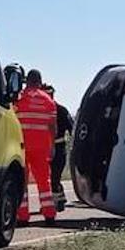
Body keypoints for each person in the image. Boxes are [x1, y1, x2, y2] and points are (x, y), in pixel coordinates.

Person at [14, 69, 58, 226]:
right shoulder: (48, 100)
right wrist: (52, 145)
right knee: (44, 181)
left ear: (27, 81)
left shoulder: (19, 98)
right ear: (40, 81)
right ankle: (49, 214)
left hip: (21, 146)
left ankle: (22, 216)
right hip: (41, 147)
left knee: (22, 181)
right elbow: (53, 126)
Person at [43, 84, 74, 212]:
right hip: (44, 148)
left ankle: (58, 200)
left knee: (55, 178)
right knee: (47, 179)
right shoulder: (41, 110)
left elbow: (72, 129)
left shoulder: (61, 110)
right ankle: (57, 200)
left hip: (59, 147)